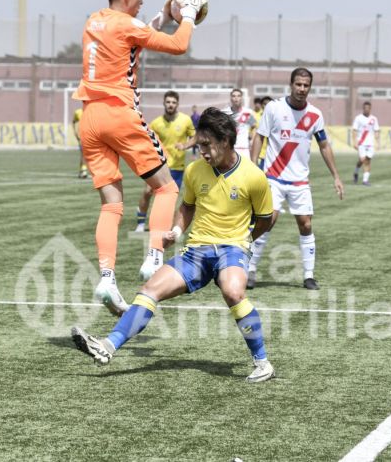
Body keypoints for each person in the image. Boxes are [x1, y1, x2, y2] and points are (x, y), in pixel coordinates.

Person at [71, 107, 276, 382]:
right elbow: (187, 207)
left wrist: (246, 240)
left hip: (232, 248)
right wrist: (177, 230)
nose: (201, 151)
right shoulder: (194, 171)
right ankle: (107, 347)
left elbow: (266, 217)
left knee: (234, 291)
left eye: (206, 145)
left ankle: (262, 362)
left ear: (225, 141)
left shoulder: (254, 176)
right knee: (149, 289)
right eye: (199, 144)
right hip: (197, 251)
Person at [73, 0, 208, 317]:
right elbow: (179, 45)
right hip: (119, 113)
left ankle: (106, 277)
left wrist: (162, 16)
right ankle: (153, 259)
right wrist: (188, 15)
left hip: (89, 119)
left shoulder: (94, 21)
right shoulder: (126, 23)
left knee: (110, 206)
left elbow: (130, 45)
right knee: (165, 189)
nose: (142, 1)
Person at [248, 68, 344, 290]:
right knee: (267, 221)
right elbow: (259, 137)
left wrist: (336, 176)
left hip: (300, 181)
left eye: (306, 85)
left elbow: (324, 145)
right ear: (291, 85)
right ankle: (250, 269)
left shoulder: (315, 115)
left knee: (306, 224)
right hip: (273, 177)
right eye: (298, 84)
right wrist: (253, 168)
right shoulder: (274, 108)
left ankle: (309, 275)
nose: (302, 89)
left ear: (310, 87)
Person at [134, 90, 196, 232]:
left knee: (170, 199)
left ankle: (163, 226)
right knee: (147, 192)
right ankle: (141, 223)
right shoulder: (155, 124)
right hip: (159, 166)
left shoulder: (186, 120)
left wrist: (185, 145)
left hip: (177, 168)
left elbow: (195, 137)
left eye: (173, 102)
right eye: (168, 102)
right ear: (164, 103)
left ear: (177, 104)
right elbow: (147, 142)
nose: (170, 105)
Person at [352, 101, 380, 186]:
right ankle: (356, 171)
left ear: (370, 109)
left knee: (367, 161)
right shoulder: (358, 118)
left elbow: (376, 131)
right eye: (365, 108)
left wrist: (377, 142)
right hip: (361, 143)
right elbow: (354, 130)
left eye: (368, 108)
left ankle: (365, 180)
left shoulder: (374, 119)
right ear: (363, 109)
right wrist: (355, 142)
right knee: (362, 160)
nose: (366, 110)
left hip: (370, 143)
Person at [223, 88, 256, 157]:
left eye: (238, 96)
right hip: (229, 148)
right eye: (234, 96)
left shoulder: (248, 112)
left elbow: (254, 126)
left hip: (244, 148)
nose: (236, 98)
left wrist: (251, 139)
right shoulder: (224, 113)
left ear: (241, 98)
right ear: (231, 98)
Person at [253, 95, 272, 170]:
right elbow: (250, 132)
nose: (267, 106)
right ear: (261, 105)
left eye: (269, 104)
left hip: (272, 155)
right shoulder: (254, 116)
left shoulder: (277, 118)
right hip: (260, 154)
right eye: (264, 104)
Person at [72, 107, 89, 178]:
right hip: (82, 136)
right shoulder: (78, 112)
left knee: (85, 154)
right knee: (83, 153)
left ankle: (82, 170)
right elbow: (73, 122)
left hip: (91, 135)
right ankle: (83, 170)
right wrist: (75, 133)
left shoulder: (92, 111)